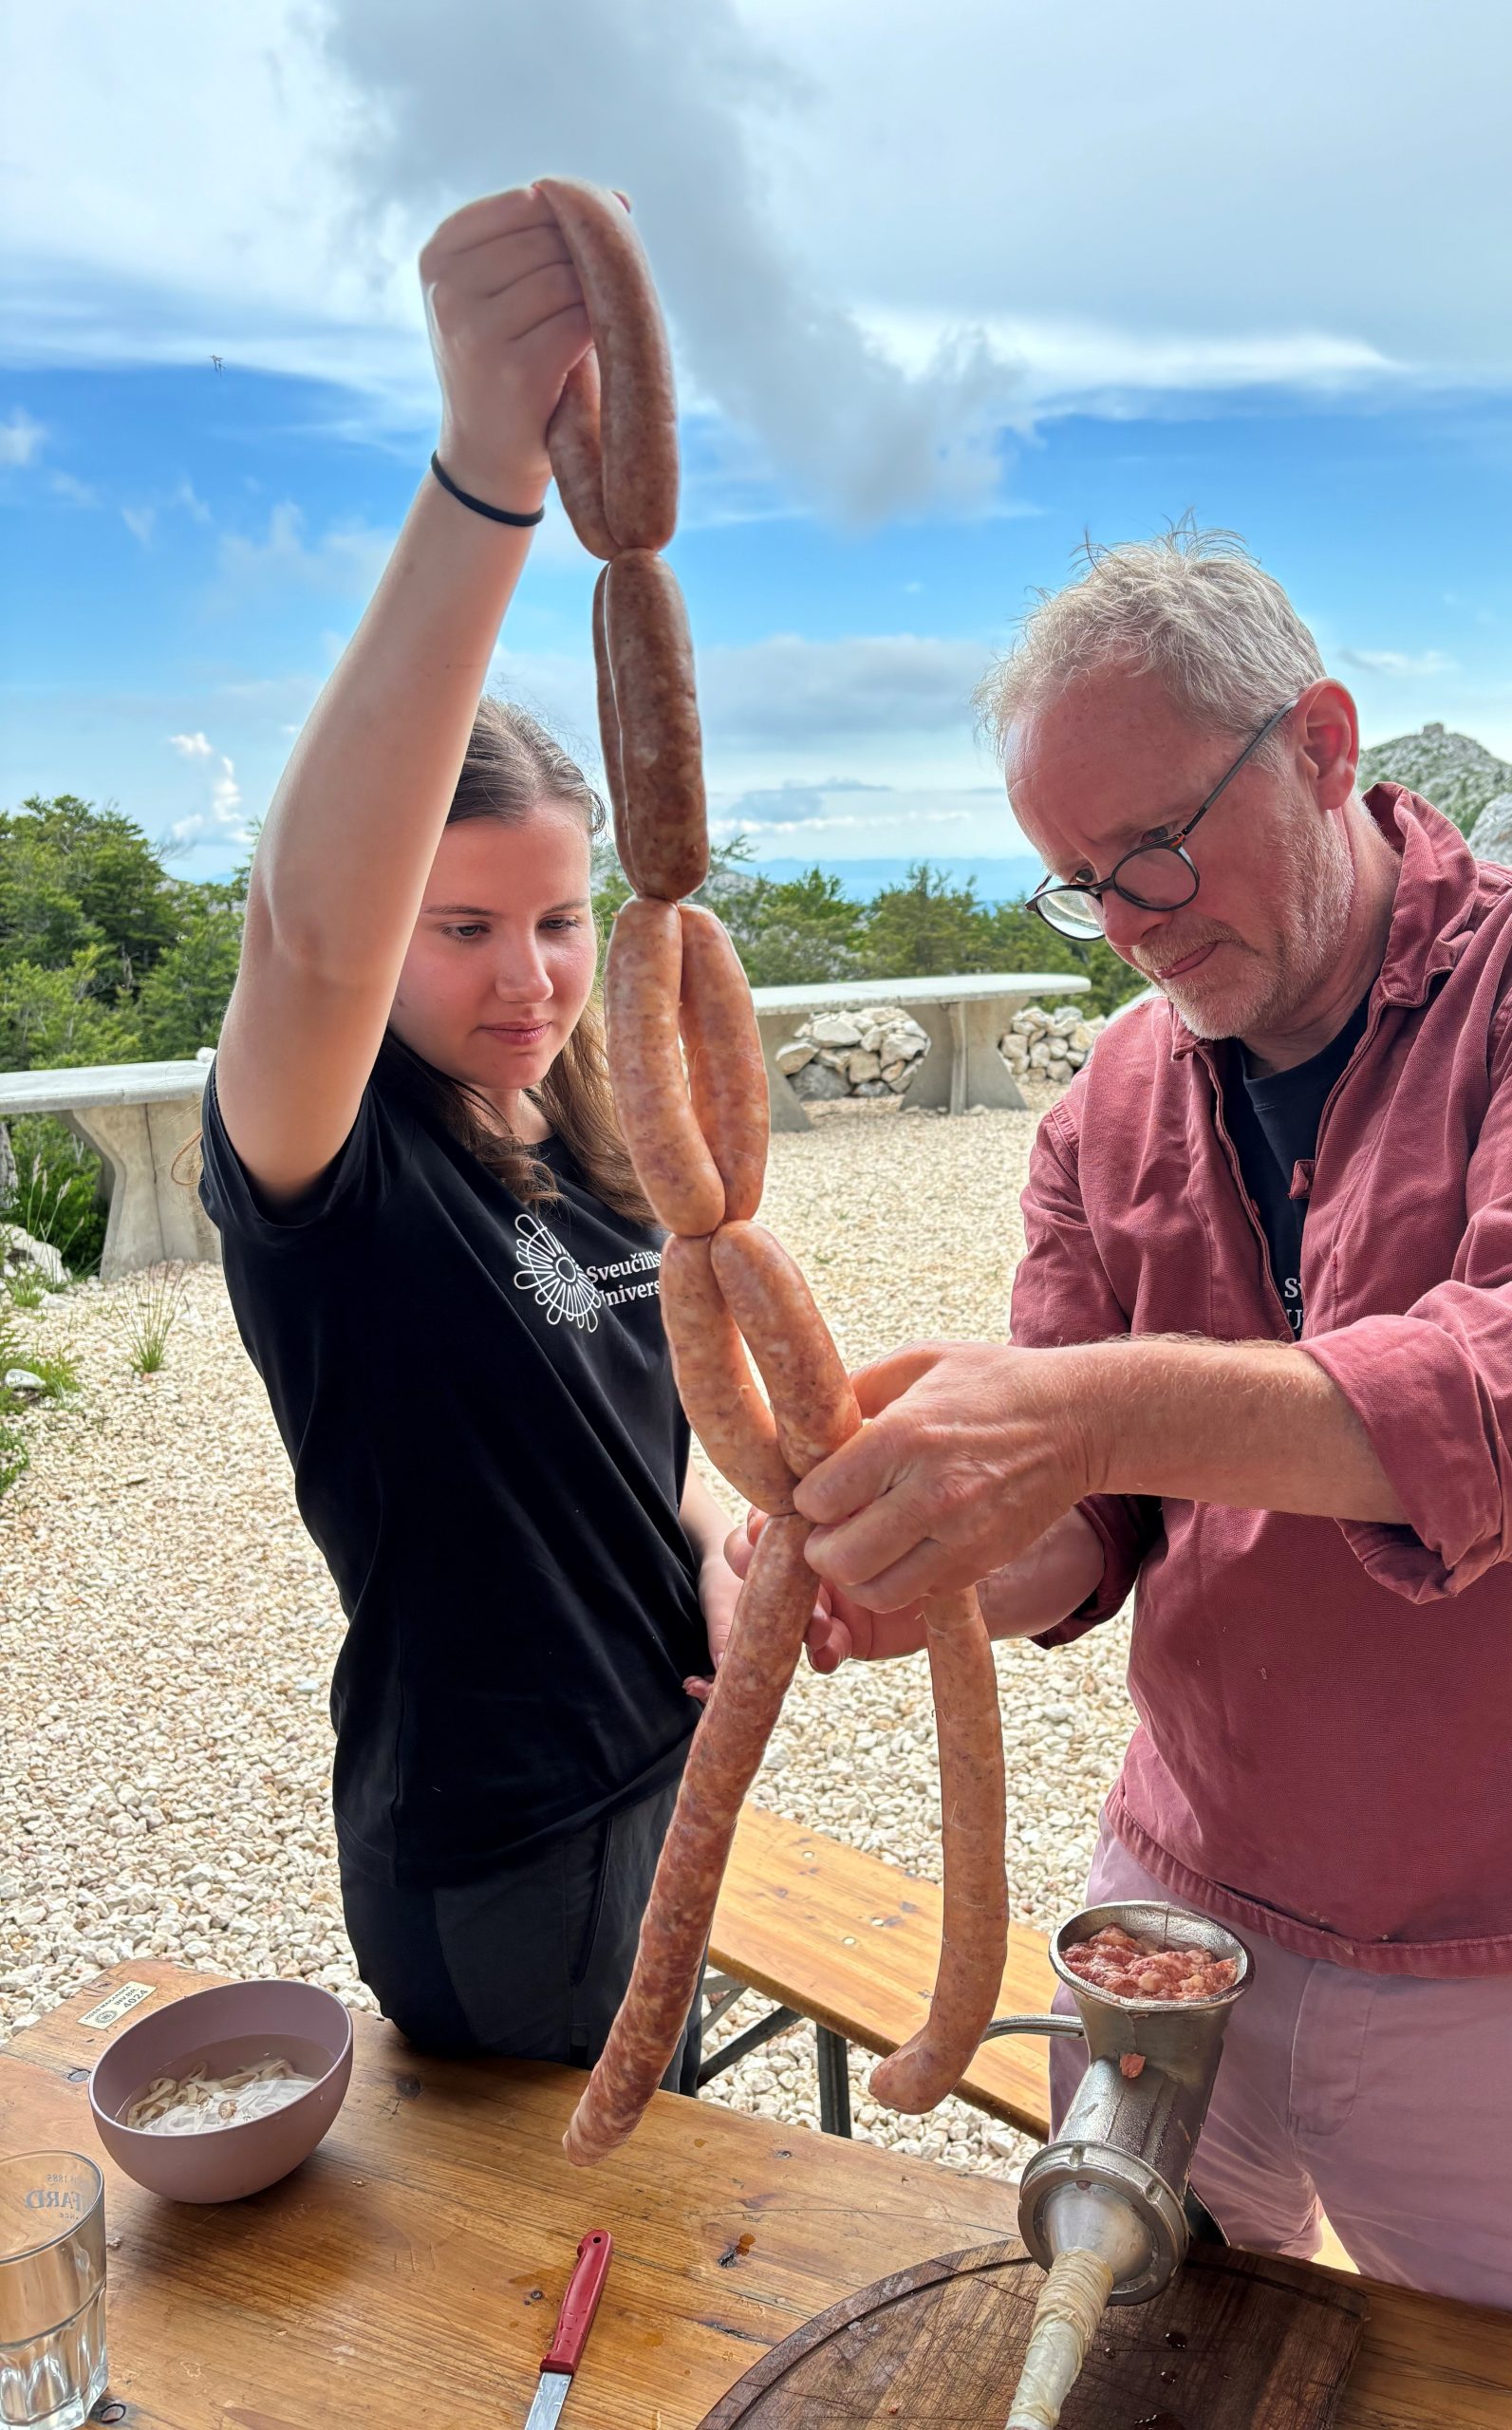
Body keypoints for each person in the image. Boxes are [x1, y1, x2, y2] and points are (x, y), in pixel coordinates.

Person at [764, 527, 1512, 2359]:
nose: (1134, 920)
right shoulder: (1108, 1102)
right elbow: (1088, 1531)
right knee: (1138, 2378)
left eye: (1157, 845)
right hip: (1181, 1900)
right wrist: (903, 1557)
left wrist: (1076, 1403)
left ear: (1321, 743)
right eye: (1078, 884)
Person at [201, 187, 738, 2080]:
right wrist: (488, 476)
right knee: (580, 2271)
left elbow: (642, 1408)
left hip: (658, 1767)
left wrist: (712, 1533)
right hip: (498, 1858)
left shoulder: (583, 1123)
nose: (529, 977)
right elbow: (308, 932)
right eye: (464, 928)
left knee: (656, 2213)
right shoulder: (334, 1176)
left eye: (558, 918)